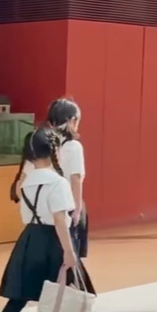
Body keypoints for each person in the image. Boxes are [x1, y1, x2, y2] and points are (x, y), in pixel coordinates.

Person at [0, 128, 110, 312]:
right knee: (73, 291)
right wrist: (69, 251)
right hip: (54, 241)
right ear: (54, 150)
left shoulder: (25, 182)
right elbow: (60, 220)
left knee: (17, 298)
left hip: (30, 238)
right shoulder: (58, 182)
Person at [46, 99, 89, 259]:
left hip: (48, 202)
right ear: (72, 120)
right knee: (71, 251)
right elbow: (75, 178)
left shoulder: (45, 143)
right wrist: (77, 210)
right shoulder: (74, 146)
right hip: (68, 202)